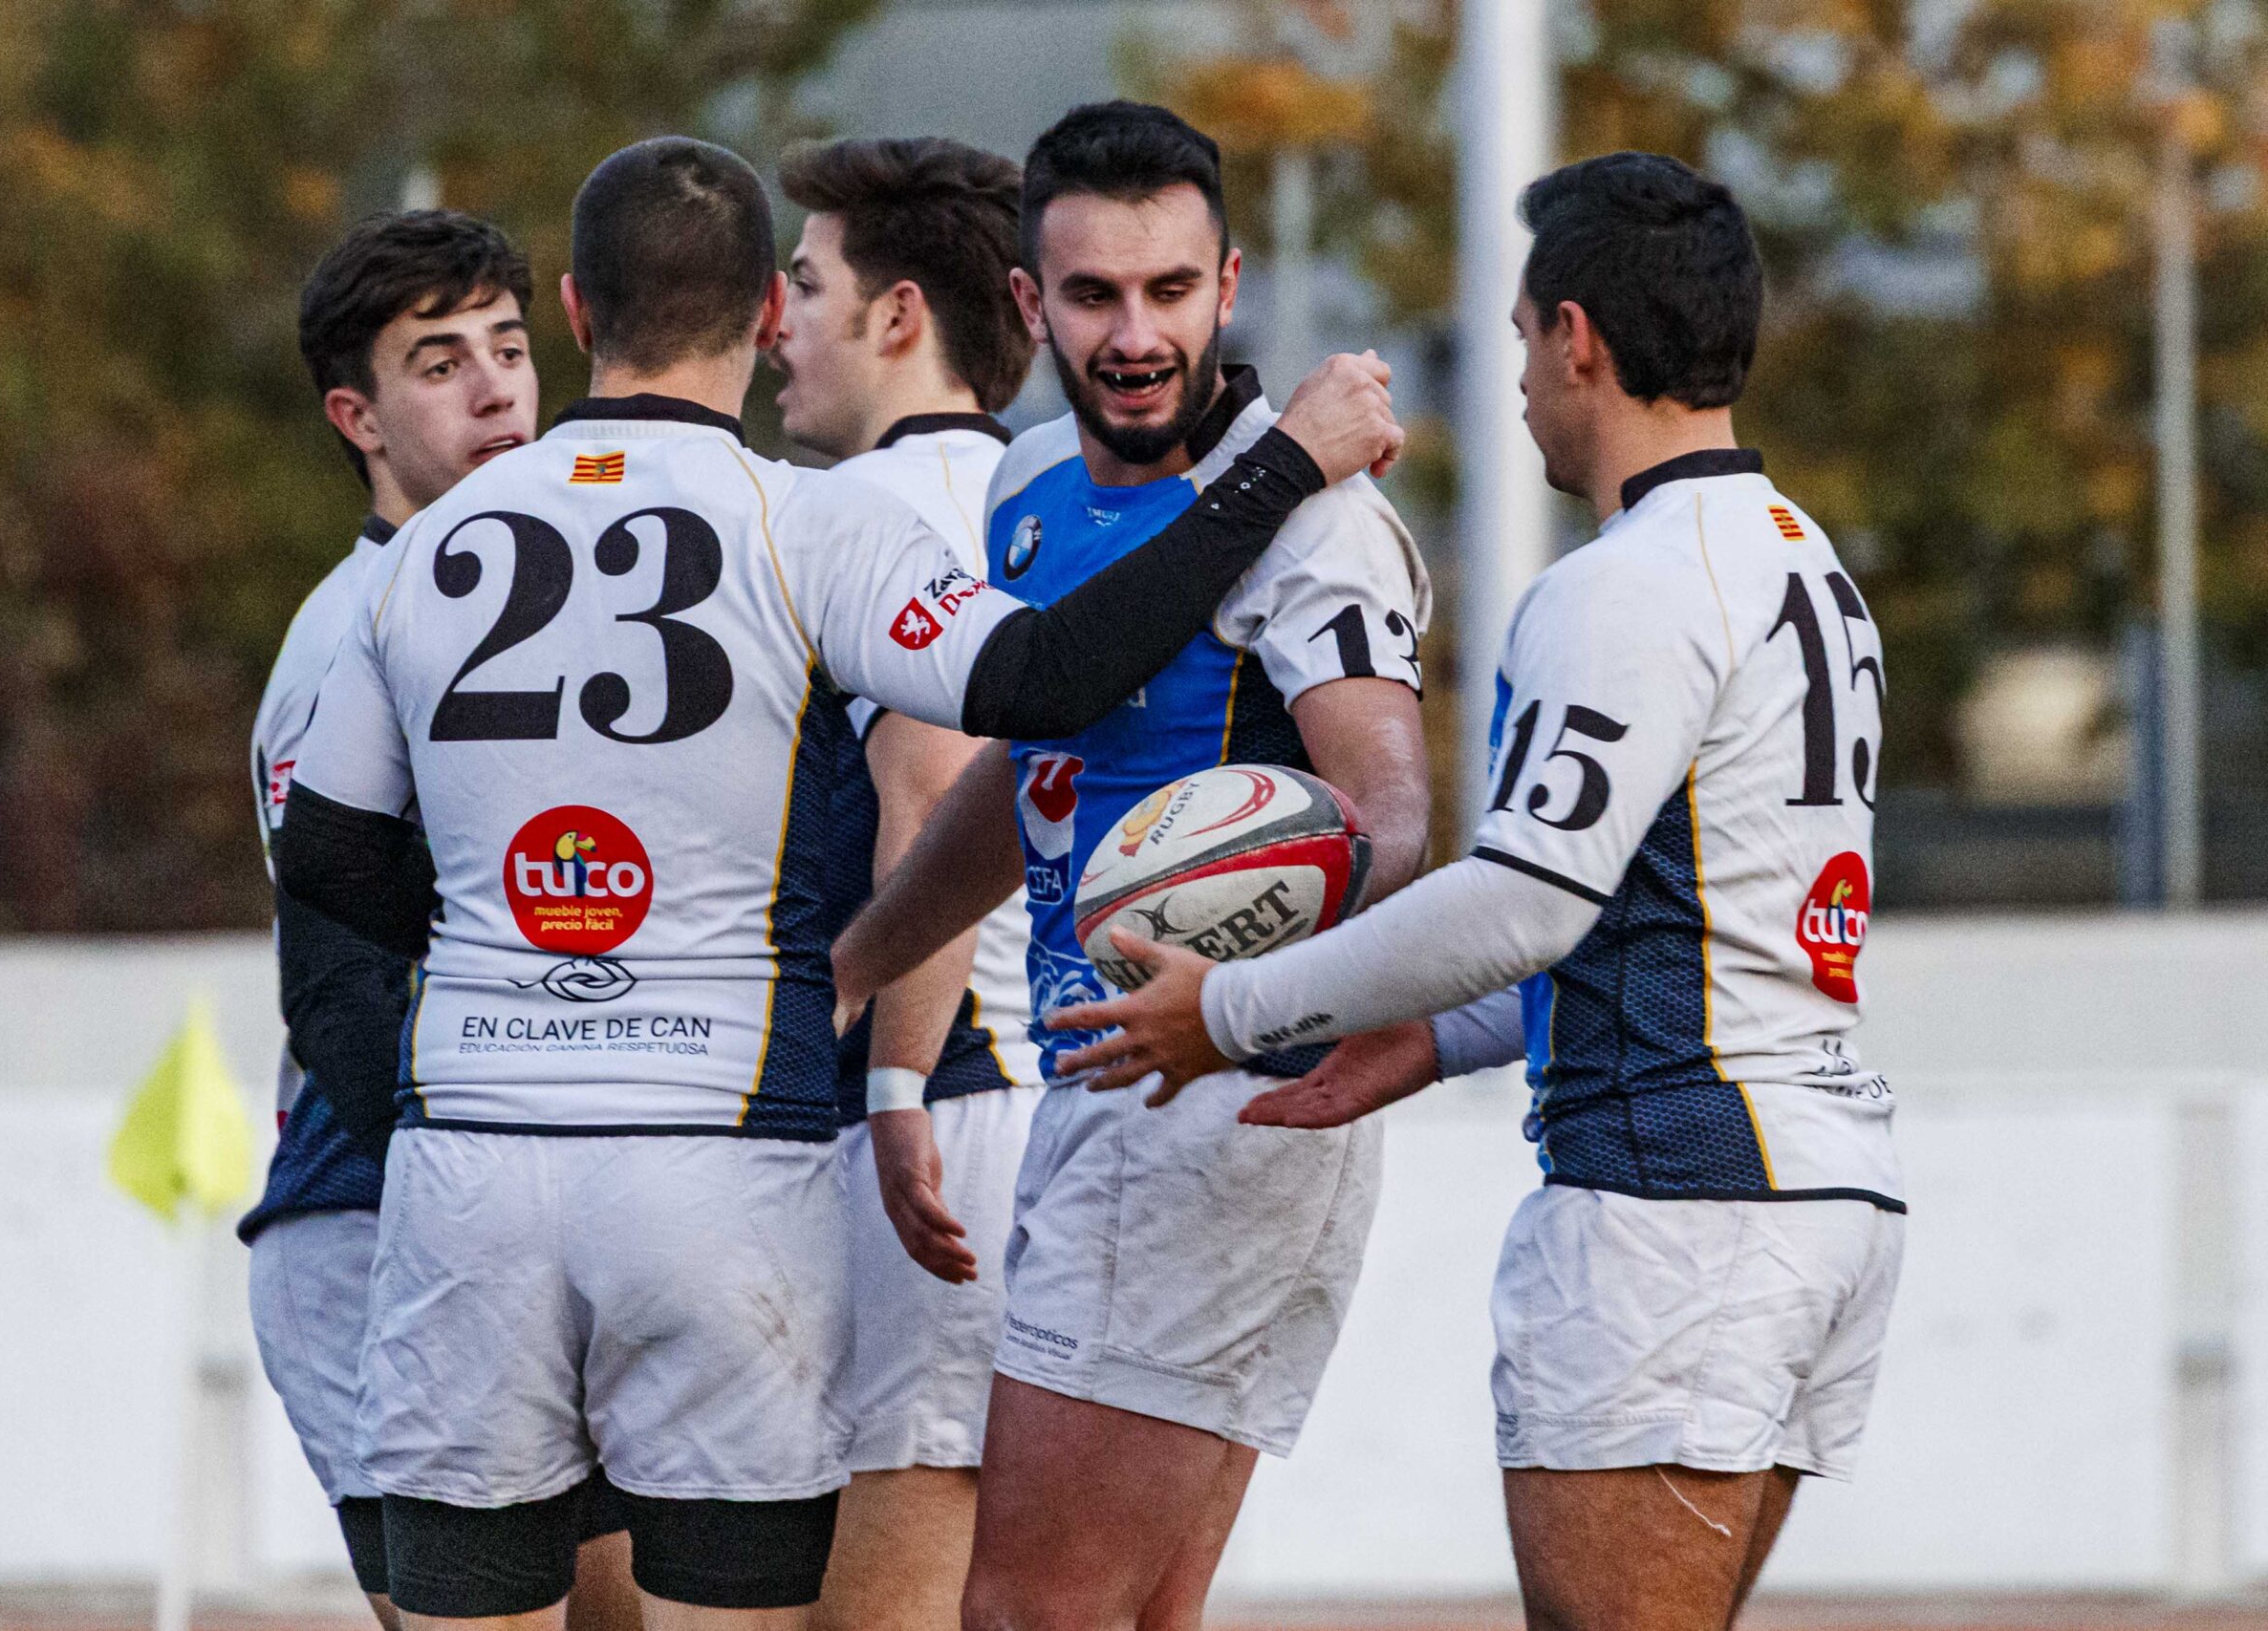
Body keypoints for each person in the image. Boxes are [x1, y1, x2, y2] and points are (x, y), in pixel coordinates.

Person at [272, 135, 1401, 1630]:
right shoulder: (812, 517)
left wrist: (511, 940)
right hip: (718, 1157)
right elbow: (1050, 675)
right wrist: (1280, 468)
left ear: (573, 312)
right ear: (757, 314)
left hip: (472, 1156)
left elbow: (331, 863)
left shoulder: (421, 552)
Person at [1052, 152, 1906, 1631]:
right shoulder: (1803, 563)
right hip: (1820, 1184)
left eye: (1518, 337)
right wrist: (1429, 1039)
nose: (1515, 379)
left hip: (1672, 1210)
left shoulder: (1629, 582)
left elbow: (1528, 900)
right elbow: (1672, 910)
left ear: (1576, 336)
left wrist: (1234, 1011)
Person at [827, 101, 1434, 1631]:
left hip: (1197, 1101)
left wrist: (1227, 1010)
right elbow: (1028, 776)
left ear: (1230, 288)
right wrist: (862, 959)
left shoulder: (1315, 516)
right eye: (1094, 295)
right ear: (1031, 307)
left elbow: (1393, 814)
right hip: (1121, 1097)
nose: (1136, 332)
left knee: (1023, 1613)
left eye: (1171, 290)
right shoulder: (1025, 492)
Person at [242, 208, 643, 1631]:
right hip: (375, 1223)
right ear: (356, 416)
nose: (493, 391)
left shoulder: (560, 594)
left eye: (510, 348)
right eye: (437, 364)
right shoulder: (350, 629)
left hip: (533, 1221)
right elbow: (339, 998)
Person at [768, 137, 1043, 1631]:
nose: (775, 323)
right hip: (1020, 1105)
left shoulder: (888, 508)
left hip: (947, 1110)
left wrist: (892, 1086)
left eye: (805, 284)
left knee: (889, 1582)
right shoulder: (1033, 489)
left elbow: (933, 788)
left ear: (897, 319)